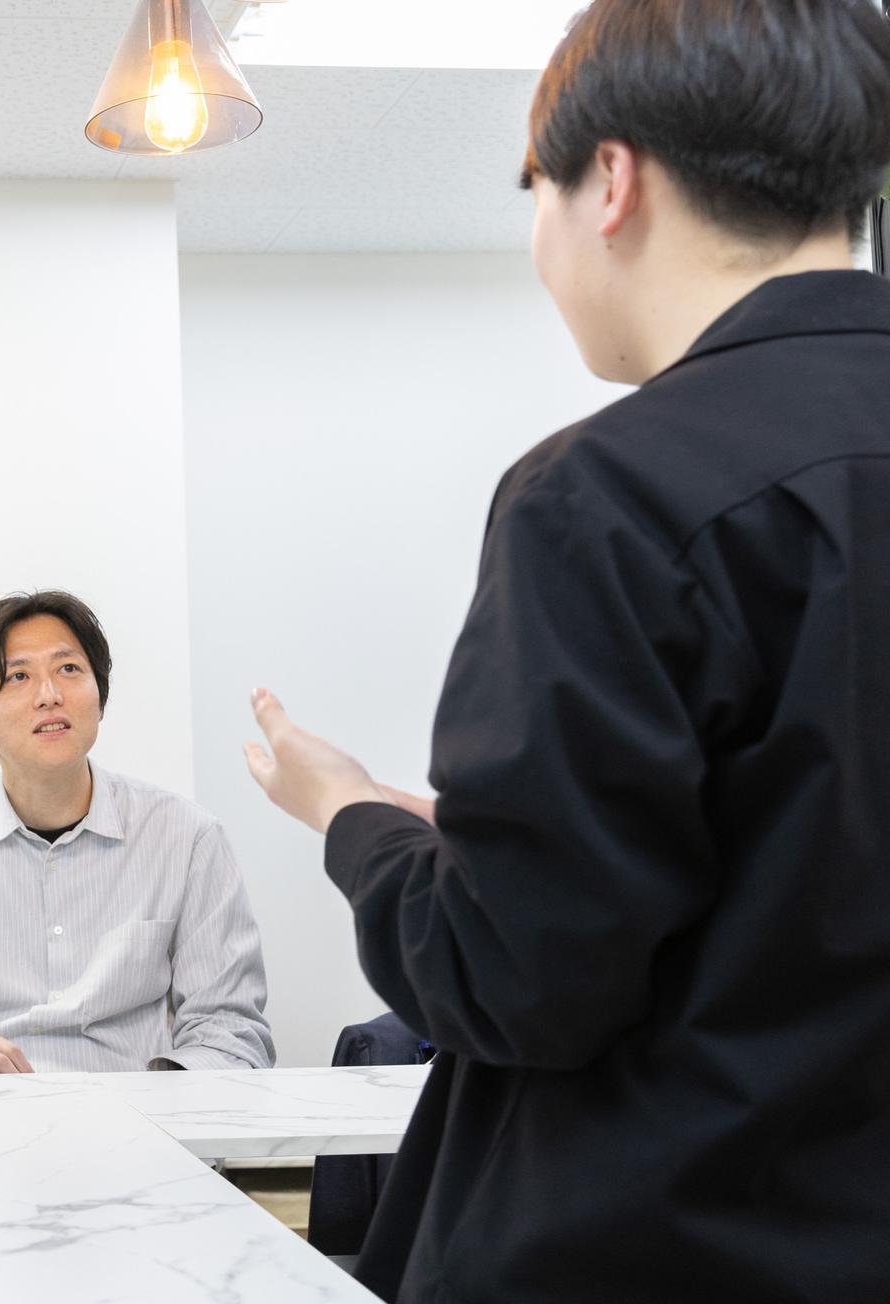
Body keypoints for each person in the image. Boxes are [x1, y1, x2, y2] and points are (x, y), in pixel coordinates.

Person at [242, 2, 890, 1299]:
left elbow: (511, 976)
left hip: (655, 1247)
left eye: (529, 189)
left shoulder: (605, 496)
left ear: (610, 180)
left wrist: (354, 816)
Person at [0, 590, 272, 1076]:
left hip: (137, 1112)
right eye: (18, 676)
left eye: (68, 669)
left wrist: (147, 1100)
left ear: (99, 696)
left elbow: (231, 1034)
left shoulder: (187, 839)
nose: (50, 694)